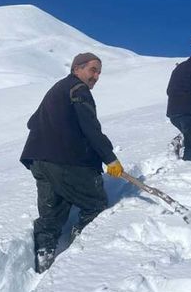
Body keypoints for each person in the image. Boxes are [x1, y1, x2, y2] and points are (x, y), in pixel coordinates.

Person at [20, 52, 124, 273]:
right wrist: (110, 159)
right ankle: (80, 246)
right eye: (92, 70)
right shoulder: (78, 89)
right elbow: (90, 128)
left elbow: (32, 122)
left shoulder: (58, 89)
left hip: (39, 160)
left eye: (99, 72)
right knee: (95, 202)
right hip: (65, 161)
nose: (96, 76)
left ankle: (44, 259)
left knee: (52, 214)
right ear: (77, 69)